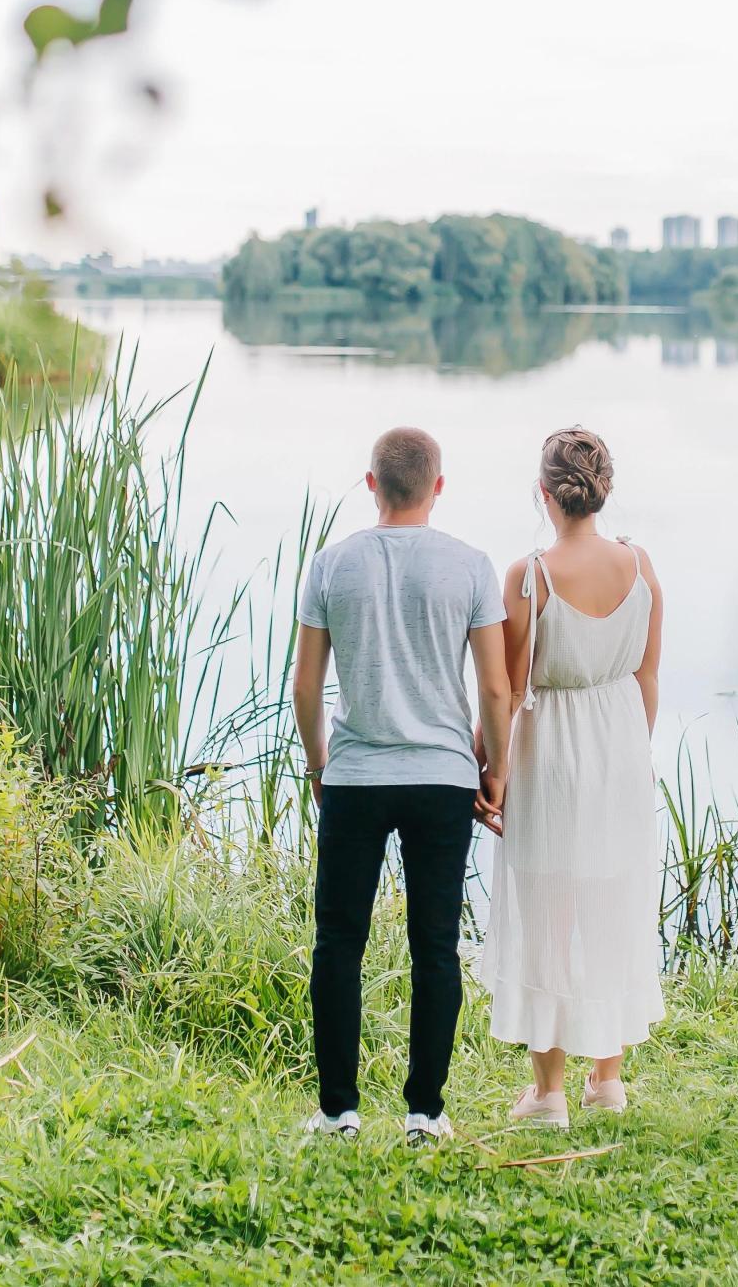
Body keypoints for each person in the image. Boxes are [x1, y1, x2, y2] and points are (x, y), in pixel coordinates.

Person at [293, 426, 510, 1145]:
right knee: (436, 947)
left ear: (371, 485)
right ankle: (424, 1112)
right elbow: (494, 689)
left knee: (339, 943)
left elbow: (306, 684)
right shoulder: (471, 566)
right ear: (437, 488)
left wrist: (320, 765)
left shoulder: (331, 565)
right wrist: (496, 772)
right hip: (443, 778)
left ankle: (338, 1112)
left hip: (356, 775)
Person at [473, 426, 666, 1126]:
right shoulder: (642, 566)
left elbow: (505, 684)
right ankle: (607, 1080)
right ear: (599, 488)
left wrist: (487, 770)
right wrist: (626, 761)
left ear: (546, 492)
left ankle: (548, 1092)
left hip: (550, 753)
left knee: (549, 917)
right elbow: (647, 678)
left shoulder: (530, 576)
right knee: (612, 906)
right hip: (619, 747)